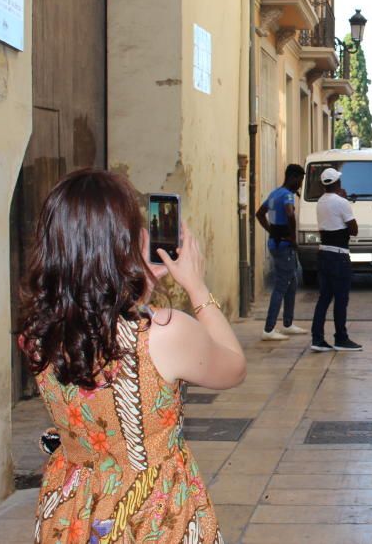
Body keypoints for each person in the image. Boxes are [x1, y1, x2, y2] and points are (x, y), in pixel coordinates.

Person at [18, 169, 246, 543]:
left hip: (72, 504)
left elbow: (99, 326)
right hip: (149, 513)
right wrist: (195, 285)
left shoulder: (38, 333)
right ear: (121, 244)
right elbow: (234, 366)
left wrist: (142, 282)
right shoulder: (164, 332)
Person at [311, 167, 362, 352]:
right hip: (339, 255)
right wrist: (344, 200)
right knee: (341, 299)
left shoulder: (320, 202)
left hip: (323, 253)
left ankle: (317, 339)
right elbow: (354, 229)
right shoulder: (342, 203)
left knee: (324, 298)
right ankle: (341, 337)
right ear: (338, 183)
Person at [255, 164, 308, 340]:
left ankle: (288, 323)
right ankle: (269, 329)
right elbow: (290, 213)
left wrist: (271, 231)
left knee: (291, 283)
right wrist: (292, 238)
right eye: (300, 180)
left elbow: (260, 213)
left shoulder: (274, 193)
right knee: (281, 286)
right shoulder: (286, 195)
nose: (300, 184)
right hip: (284, 247)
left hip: (276, 243)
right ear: (293, 177)